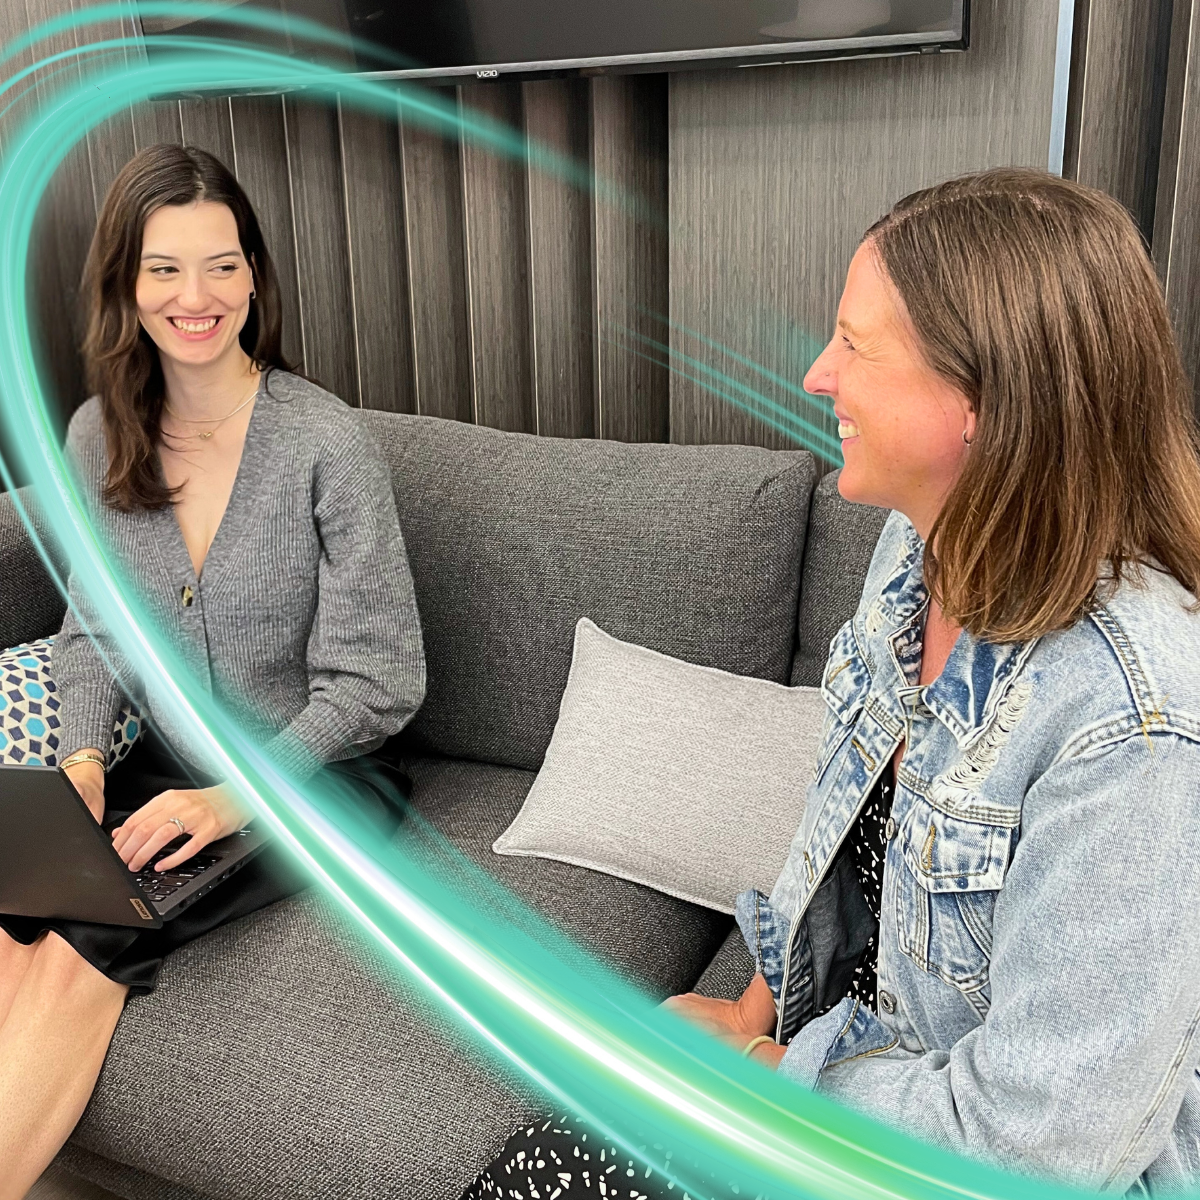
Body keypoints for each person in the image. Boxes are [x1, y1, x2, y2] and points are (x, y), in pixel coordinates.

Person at [463, 168, 1200, 1199]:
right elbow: (851, 831)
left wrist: (765, 1079)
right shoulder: (916, 547)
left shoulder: (1134, 719)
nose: (816, 374)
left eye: (855, 345)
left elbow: (1042, 1147)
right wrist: (751, 1009)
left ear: (980, 402)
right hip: (850, 1052)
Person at [0, 144, 425, 1194]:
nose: (198, 297)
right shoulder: (101, 434)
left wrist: (237, 799)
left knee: (87, 942)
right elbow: (91, 632)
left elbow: (382, 681)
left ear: (254, 278)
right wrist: (89, 760)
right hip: (160, 769)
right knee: (14, 910)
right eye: (165, 269)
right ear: (126, 288)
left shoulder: (325, 444)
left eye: (222, 265)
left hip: (316, 779)